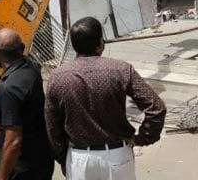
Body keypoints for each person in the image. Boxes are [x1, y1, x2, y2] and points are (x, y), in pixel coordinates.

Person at [45, 17, 166, 180]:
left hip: (79, 160)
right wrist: (141, 138)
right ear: (100, 44)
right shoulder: (121, 69)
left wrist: (62, 157)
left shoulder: (57, 77)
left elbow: (52, 126)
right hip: (117, 157)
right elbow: (156, 108)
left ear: (74, 46)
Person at [0, 28, 54, 180]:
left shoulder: (8, 89)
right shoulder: (31, 66)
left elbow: (14, 141)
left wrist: (2, 176)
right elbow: (4, 55)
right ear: (22, 48)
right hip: (42, 160)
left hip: (23, 171)